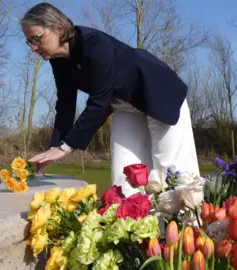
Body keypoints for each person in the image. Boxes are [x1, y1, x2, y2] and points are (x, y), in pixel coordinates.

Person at [22, 3, 200, 196]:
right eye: (29, 42)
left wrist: (67, 147)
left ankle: (188, 223)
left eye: (36, 39)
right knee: (124, 177)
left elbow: (99, 100)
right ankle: (134, 224)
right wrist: (55, 147)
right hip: (125, 105)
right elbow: (65, 104)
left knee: (173, 172)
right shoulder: (58, 61)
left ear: (57, 29)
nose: (33, 48)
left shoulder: (95, 44)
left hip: (160, 94)